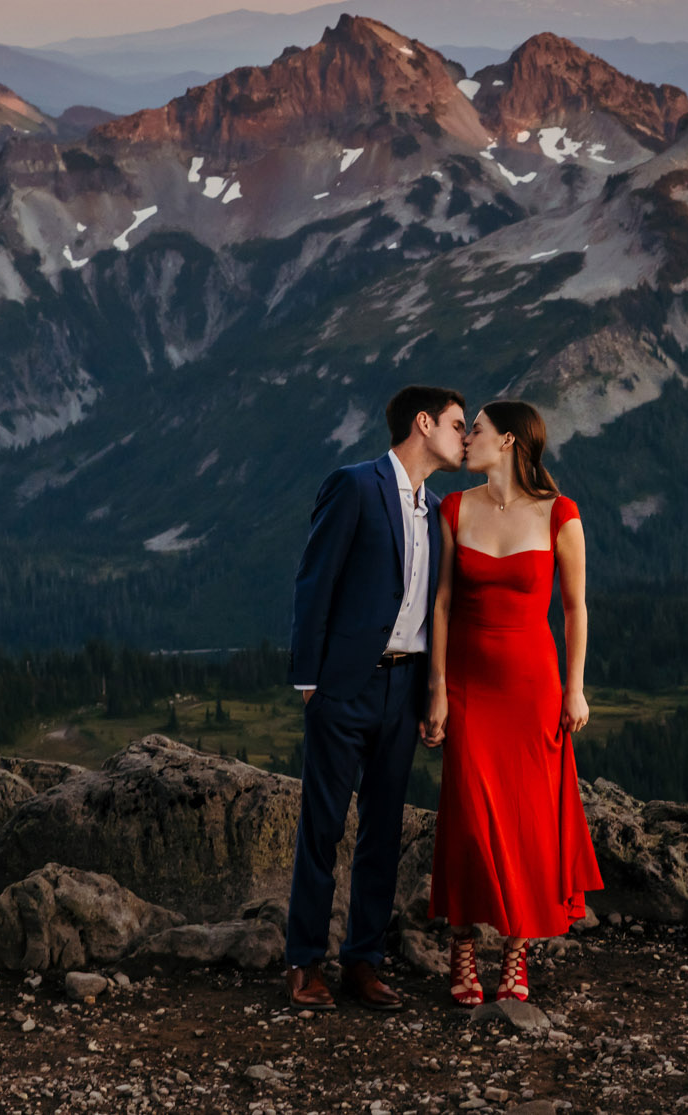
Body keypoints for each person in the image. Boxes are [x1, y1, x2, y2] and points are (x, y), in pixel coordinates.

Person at [282, 383, 467, 1011]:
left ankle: (364, 963)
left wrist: (430, 695)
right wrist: (311, 681)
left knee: (383, 832)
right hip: (343, 687)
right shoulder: (355, 484)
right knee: (323, 827)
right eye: (456, 424)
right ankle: (305, 963)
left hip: (403, 688)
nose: (464, 436)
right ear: (423, 423)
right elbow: (314, 579)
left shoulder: (438, 508)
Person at [422, 399, 604, 1006]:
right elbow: (441, 605)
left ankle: (517, 952)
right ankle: (463, 943)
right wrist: (438, 692)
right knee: (470, 816)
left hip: (533, 688)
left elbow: (575, 608)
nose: (464, 440)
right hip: (470, 685)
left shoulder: (561, 514)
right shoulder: (455, 508)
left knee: (528, 821)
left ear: (506, 442)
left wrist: (575, 688)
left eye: (474, 430)